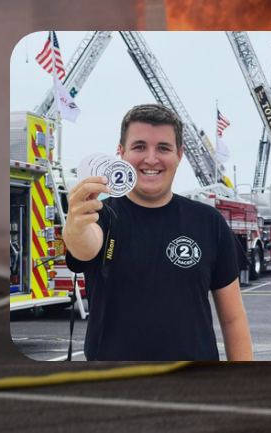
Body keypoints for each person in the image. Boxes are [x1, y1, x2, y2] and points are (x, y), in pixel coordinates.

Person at [62, 103, 253, 360]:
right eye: (139, 147)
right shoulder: (101, 217)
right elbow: (84, 245)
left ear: (180, 155)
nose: (151, 159)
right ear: (121, 152)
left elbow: (233, 319)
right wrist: (75, 224)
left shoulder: (209, 222)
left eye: (163, 148)